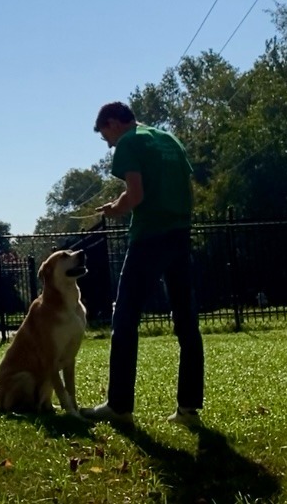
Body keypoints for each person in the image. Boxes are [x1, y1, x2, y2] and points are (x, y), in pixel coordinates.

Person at [80, 102, 204, 428]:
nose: (109, 145)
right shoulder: (169, 140)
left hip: (149, 238)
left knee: (125, 319)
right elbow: (187, 191)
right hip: (180, 234)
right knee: (186, 322)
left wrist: (114, 208)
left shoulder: (130, 142)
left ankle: (119, 405)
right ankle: (188, 408)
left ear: (112, 123)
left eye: (106, 136)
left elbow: (134, 194)